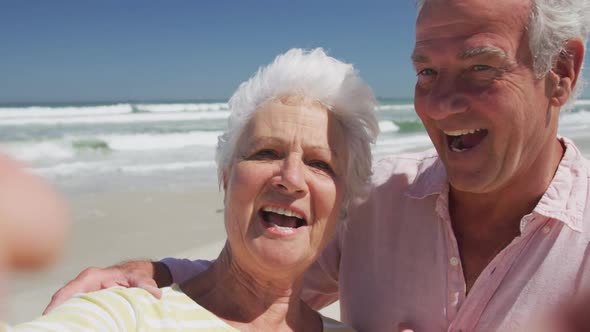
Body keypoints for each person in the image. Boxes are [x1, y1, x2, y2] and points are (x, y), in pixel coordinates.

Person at [42, 0, 590, 331]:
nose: (441, 104)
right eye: (426, 73)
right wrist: (151, 274)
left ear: (561, 72)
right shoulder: (374, 197)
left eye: (479, 69)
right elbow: (260, 280)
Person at [7, 48, 379, 331]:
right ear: (225, 178)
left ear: (344, 203)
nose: (291, 178)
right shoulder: (127, 314)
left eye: (320, 164)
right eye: (267, 152)